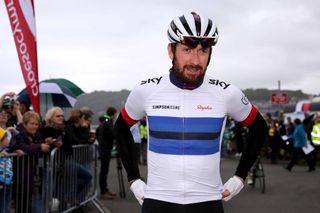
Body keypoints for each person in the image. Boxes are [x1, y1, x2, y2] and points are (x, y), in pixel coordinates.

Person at [114, 12, 268, 213]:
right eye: (187, 49)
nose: (195, 61)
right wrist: (134, 178)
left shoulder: (226, 93)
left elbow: (259, 128)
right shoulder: (146, 91)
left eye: (203, 51)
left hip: (208, 200)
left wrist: (240, 177)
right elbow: (120, 128)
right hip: (158, 200)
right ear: (171, 50)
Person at [97, 107, 117, 200]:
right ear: (114, 114)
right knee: (104, 171)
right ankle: (103, 192)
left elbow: (98, 132)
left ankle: (105, 189)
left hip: (103, 148)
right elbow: (113, 134)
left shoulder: (105, 121)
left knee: (104, 171)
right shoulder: (108, 122)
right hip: (105, 149)